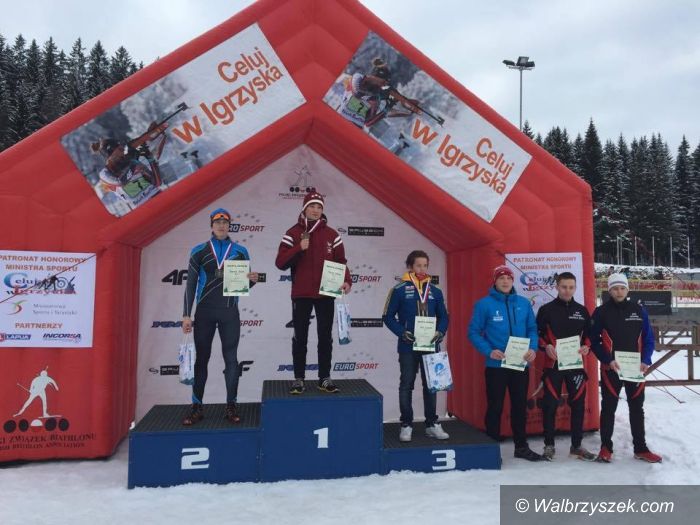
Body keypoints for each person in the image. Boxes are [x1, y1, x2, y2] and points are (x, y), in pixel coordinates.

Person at [181, 208, 258, 425]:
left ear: (229, 225)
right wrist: (186, 315)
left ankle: (231, 405)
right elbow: (190, 285)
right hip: (204, 312)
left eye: (225, 222)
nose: (222, 226)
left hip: (229, 312)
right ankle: (197, 406)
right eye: (218, 222)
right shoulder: (199, 250)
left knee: (231, 360)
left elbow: (243, 284)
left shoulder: (241, 251)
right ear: (212, 226)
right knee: (202, 359)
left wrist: (251, 280)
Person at [275, 192, 351, 395]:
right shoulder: (293, 233)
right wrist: (299, 248)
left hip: (326, 293)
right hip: (301, 294)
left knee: (325, 337)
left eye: (319, 207)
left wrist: (347, 280)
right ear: (304, 208)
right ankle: (298, 378)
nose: (316, 210)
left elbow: (341, 261)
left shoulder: (332, 235)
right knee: (300, 337)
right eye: (312, 206)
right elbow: (280, 262)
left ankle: (324, 378)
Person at [468, 265, 543, 461]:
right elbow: (473, 333)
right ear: (495, 281)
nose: (505, 281)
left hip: (520, 365)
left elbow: (532, 329)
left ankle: (521, 447)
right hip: (496, 366)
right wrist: (489, 351)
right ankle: (491, 449)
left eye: (508, 278)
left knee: (519, 406)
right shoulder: (484, 305)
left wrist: (532, 348)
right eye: (501, 278)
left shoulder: (523, 303)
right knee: (495, 406)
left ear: (513, 281)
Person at [589, 273, 662, 463]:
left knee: (637, 408)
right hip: (611, 368)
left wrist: (646, 360)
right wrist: (607, 360)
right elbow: (594, 340)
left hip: (635, 368)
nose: (619, 292)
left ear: (627, 290)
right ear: (609, 290)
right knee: (608, 408)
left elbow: (648, 338)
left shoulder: (639, 310)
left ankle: (641, 448)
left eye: (622, 288)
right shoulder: (601, 312)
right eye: (615, 288)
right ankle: (606, 447)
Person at [383, 250, 450, 442]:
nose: (422, 269)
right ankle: (406, 424)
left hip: (430, 345)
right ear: (410, 266)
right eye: (418, 265)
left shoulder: (435, 291)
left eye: (425, 265)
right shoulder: (399, 289)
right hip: (408, 345)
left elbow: (444, 317)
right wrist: (402, 332)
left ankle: (432, 424)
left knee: (431, 386)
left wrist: (440, 332)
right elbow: (387, 317)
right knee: (406, 384)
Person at [535, 272, 596, 461]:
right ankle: (549, 445)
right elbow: (537, 334)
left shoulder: (582, 311)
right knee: (550, 405)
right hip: (553, 365)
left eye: (571, 287)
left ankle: (576, 446)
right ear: (557, 287)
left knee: (578, 405)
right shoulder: (546, 310)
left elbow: (589, 335)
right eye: (563, 287)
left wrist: (587, 346)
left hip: (575, 365)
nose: (567, 290)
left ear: (575, 288)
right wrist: (546, 346)